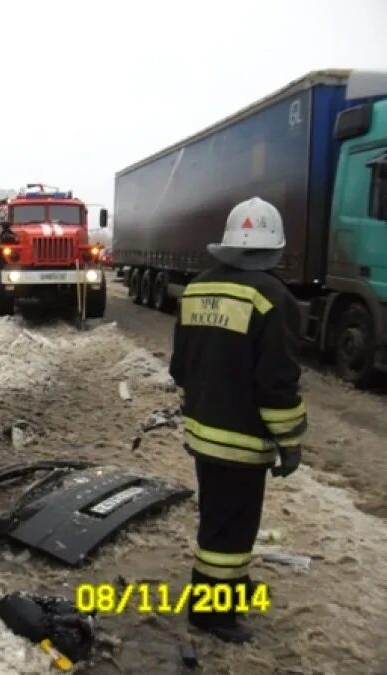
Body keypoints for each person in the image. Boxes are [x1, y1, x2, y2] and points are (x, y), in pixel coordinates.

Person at [169, 197, 307, 644]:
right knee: (231, 527)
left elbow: (179, 367)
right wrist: (291, 441)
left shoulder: (196, 288)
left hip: (202, 431)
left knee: (218, 516)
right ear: (274, 248)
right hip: (243, 440)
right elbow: (277, 384)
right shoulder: (273, 298)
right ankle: (213, 613)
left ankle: (228, 591)